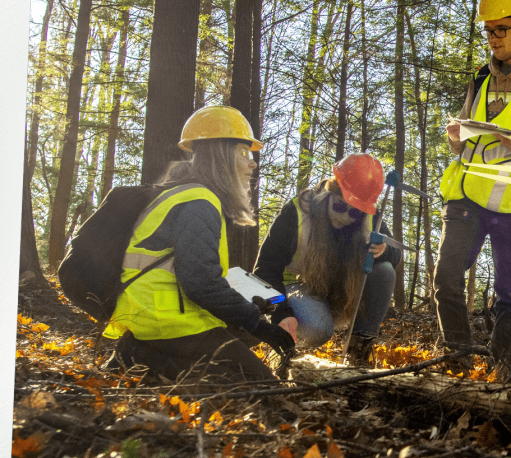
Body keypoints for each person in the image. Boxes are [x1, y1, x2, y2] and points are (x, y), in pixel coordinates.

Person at [102, 106, 295, 387]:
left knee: (247, 326)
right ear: (222, 156)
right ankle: (146, 358)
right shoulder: (199, 203)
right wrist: (261, 327)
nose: (252, 164)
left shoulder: (185, 193)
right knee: (261, 386)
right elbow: (200, 282)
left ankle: (144, 353)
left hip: (152, 316)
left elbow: (194, 272)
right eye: (244, 153)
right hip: (169, 322)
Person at [434, 0, 511, 375]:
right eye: (488, 30)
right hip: (465, 191)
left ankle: (499, 371)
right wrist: (454, 138)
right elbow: (463, 143)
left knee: (509, 295)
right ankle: (458, 360)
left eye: (502, 29)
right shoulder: (480, 77)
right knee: (445, 277)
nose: (494, 38)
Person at [254, 152, 401, 365]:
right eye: (340, 206)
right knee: (317, 328)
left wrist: (384, 250)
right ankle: (288, 356)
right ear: (329, 192)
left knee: (385, 270)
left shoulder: (371, 219)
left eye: (355, 213)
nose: (345, 216)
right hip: (297, 291)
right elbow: (265, 269)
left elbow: (394, 257)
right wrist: (280, 312)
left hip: (340, 295)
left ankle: (358, 350)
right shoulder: (298, 211)